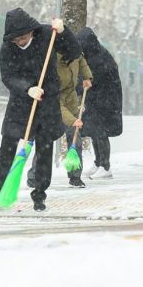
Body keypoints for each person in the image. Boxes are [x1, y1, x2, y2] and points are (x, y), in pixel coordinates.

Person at [0, 8, 80, 212]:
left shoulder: (47, 35)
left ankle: (39, 195)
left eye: (23, 37)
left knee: (44, 150)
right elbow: (7, 76)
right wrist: (27, 88)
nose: (20, 41)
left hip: (47, 103)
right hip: (20, 103)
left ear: (32, 31)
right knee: (7, 148)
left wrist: (63, 32)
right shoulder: (8, 47)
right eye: (16, 39)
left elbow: (73, 52)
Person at [76, 27, 123, 179]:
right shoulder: (93, 55)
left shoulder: (100, 58)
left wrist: (78, 87)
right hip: (97, 100)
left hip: (106, 101)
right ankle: (98, 163)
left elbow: (90, 80)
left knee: (101, 133)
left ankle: (106, 166)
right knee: (94, 132)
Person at [57, 52, 93, 186]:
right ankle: (35, 176)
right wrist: (72, 120)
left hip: (71, 97)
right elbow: (57, 105)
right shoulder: (51, 56)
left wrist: (87, 76)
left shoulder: (74, 50)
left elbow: (82, 60)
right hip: (53, 97)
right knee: (45, 141)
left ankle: (75, 176)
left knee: (75, 138)